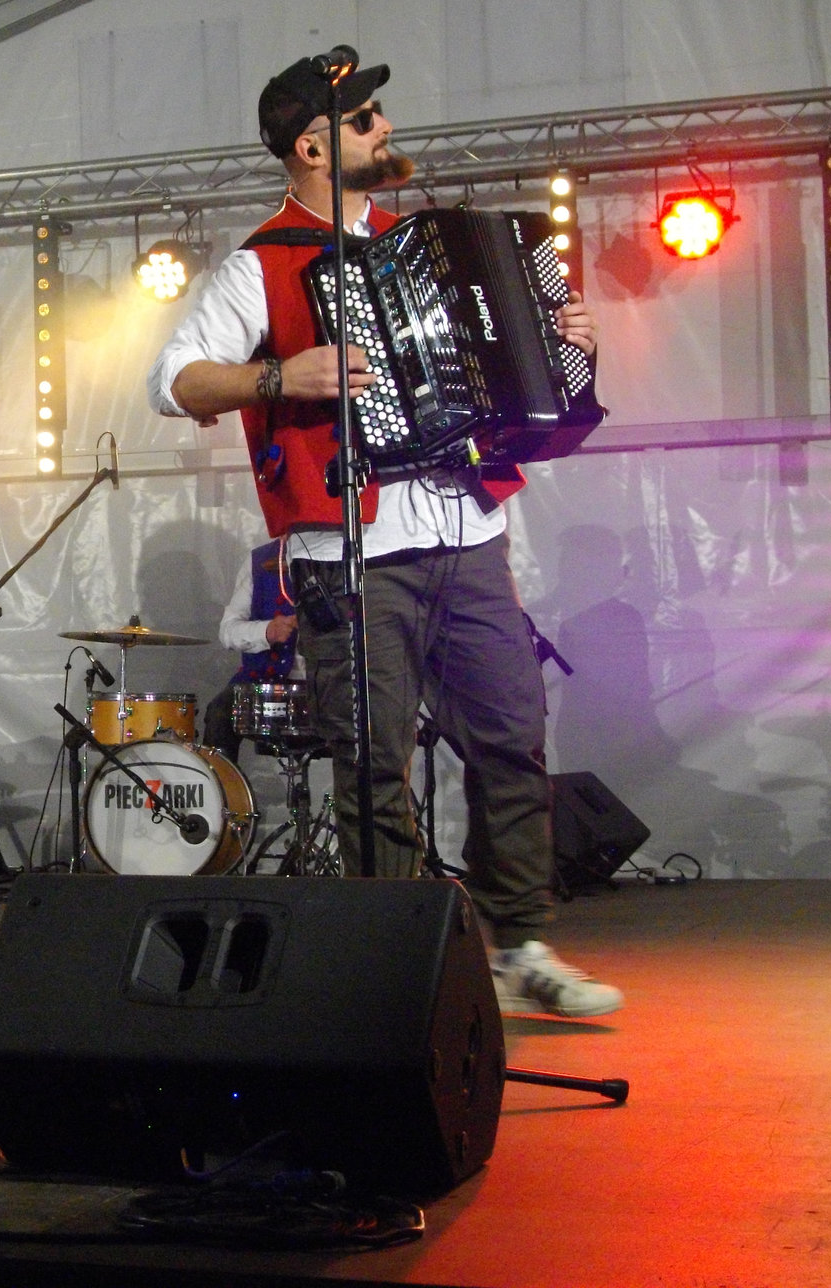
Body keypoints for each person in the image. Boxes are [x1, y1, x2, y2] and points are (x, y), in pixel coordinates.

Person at [147, 53, 622, 1018]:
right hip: (350, 550)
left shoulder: (427, 245)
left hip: (466, 528)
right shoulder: (260, 266)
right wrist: (281, 376)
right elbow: (173, 382)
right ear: (312, 147)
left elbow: (506, 361)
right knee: (372, 762)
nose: (386, 127)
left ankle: (519, 947)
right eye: (365, 119)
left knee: (512, 737)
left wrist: (562, 344)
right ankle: (403, 970)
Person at [198, 538, 299, 764]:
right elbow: (228, 630)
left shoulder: (345, 555)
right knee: (220, 713)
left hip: (324, 683)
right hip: (266, 682)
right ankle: (222, 785)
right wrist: (266, 631)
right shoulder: (260, 559)